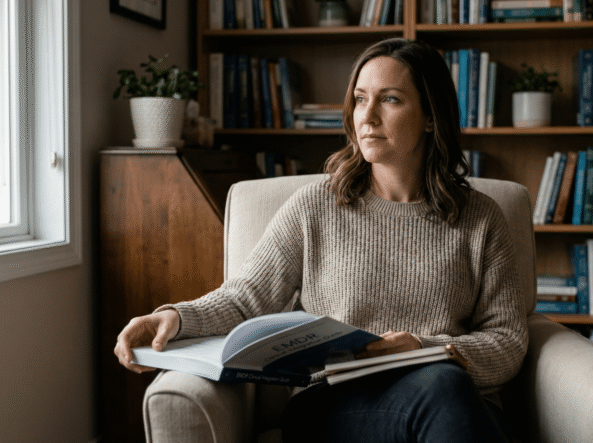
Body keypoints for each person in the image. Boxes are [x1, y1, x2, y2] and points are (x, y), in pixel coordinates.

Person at [115, 37, 528, 443]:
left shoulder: (480, 218)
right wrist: (175, 317)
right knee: (447, 390)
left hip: (450, 396)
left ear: (431, 116)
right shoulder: (317, 206)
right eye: (360, 99)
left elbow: (507, 341)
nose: (367, 117)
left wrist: (425, 347)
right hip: (336, 404)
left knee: (443, 384)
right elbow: (245, 298)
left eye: (390, 100)